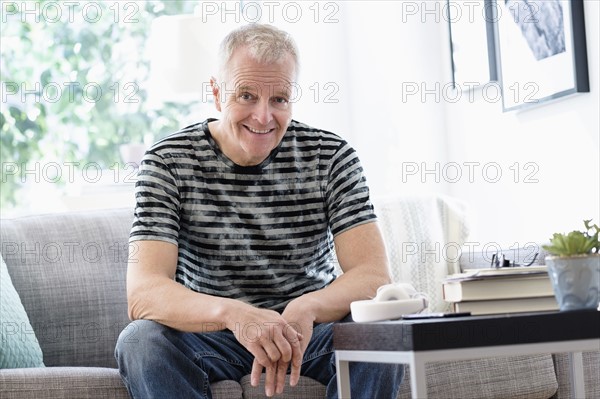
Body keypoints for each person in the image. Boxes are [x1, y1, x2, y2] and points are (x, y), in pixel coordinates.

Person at [115, 23, 404, 398]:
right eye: (247, 96)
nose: (264, 117)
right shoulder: (168, 162)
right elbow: (144, 292)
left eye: (279, 99)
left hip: (308, 335)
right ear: (217, 94)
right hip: (211, 339)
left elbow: (373, 276)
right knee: (140, 341)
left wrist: (308, 307)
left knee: (384, 332)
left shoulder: (332, 157)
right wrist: (234, 315)